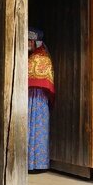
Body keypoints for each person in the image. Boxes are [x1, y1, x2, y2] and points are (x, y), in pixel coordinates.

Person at [27, 27, 54, 171]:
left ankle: (38, 163)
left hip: (39, 100)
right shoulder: (31, 57)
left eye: (30, 41)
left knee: (37, 128)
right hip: (29, 98)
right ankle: (29, 162)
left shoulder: (42, 58)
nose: (28, 44)